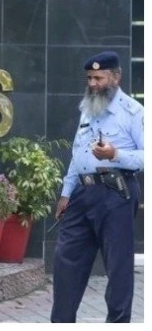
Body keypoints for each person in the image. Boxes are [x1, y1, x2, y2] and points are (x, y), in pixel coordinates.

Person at [50, 51, 143, 322]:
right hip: (82, 194)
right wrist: (66, 193)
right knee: (65, 261)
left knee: (118, 268)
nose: (92, 84)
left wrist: (115, 154)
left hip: (115, 194)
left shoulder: (133, 113)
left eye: (99, 78)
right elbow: (77, 155)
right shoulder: (87, 109)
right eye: (89, 78)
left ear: (116, 77)